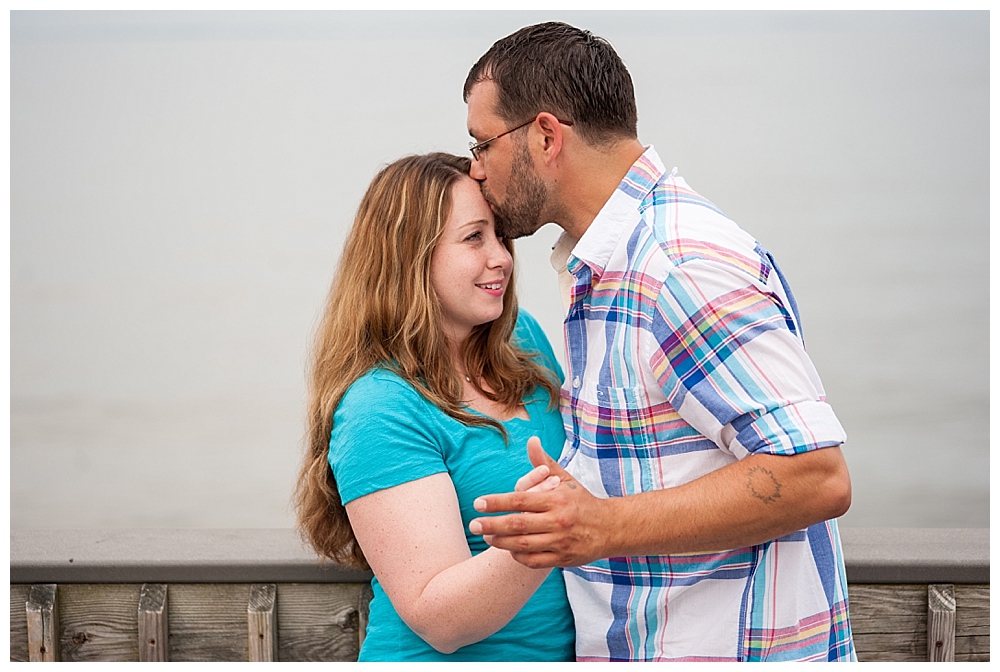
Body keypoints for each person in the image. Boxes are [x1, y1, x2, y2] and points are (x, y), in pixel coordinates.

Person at [462, 22, 856, 662]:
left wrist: (600, 527)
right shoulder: (612, 264)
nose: (476, 170)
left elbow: (815, 475)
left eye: (482, 144)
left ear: (545, 136)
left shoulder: (676, 266)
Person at [294, 152, 575, 661]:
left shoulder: (523, 341)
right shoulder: (379, 407)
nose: (502, 258)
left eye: (499, 235)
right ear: (411, 256)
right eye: (474, 238)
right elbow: (438, 619)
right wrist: (546, 531)